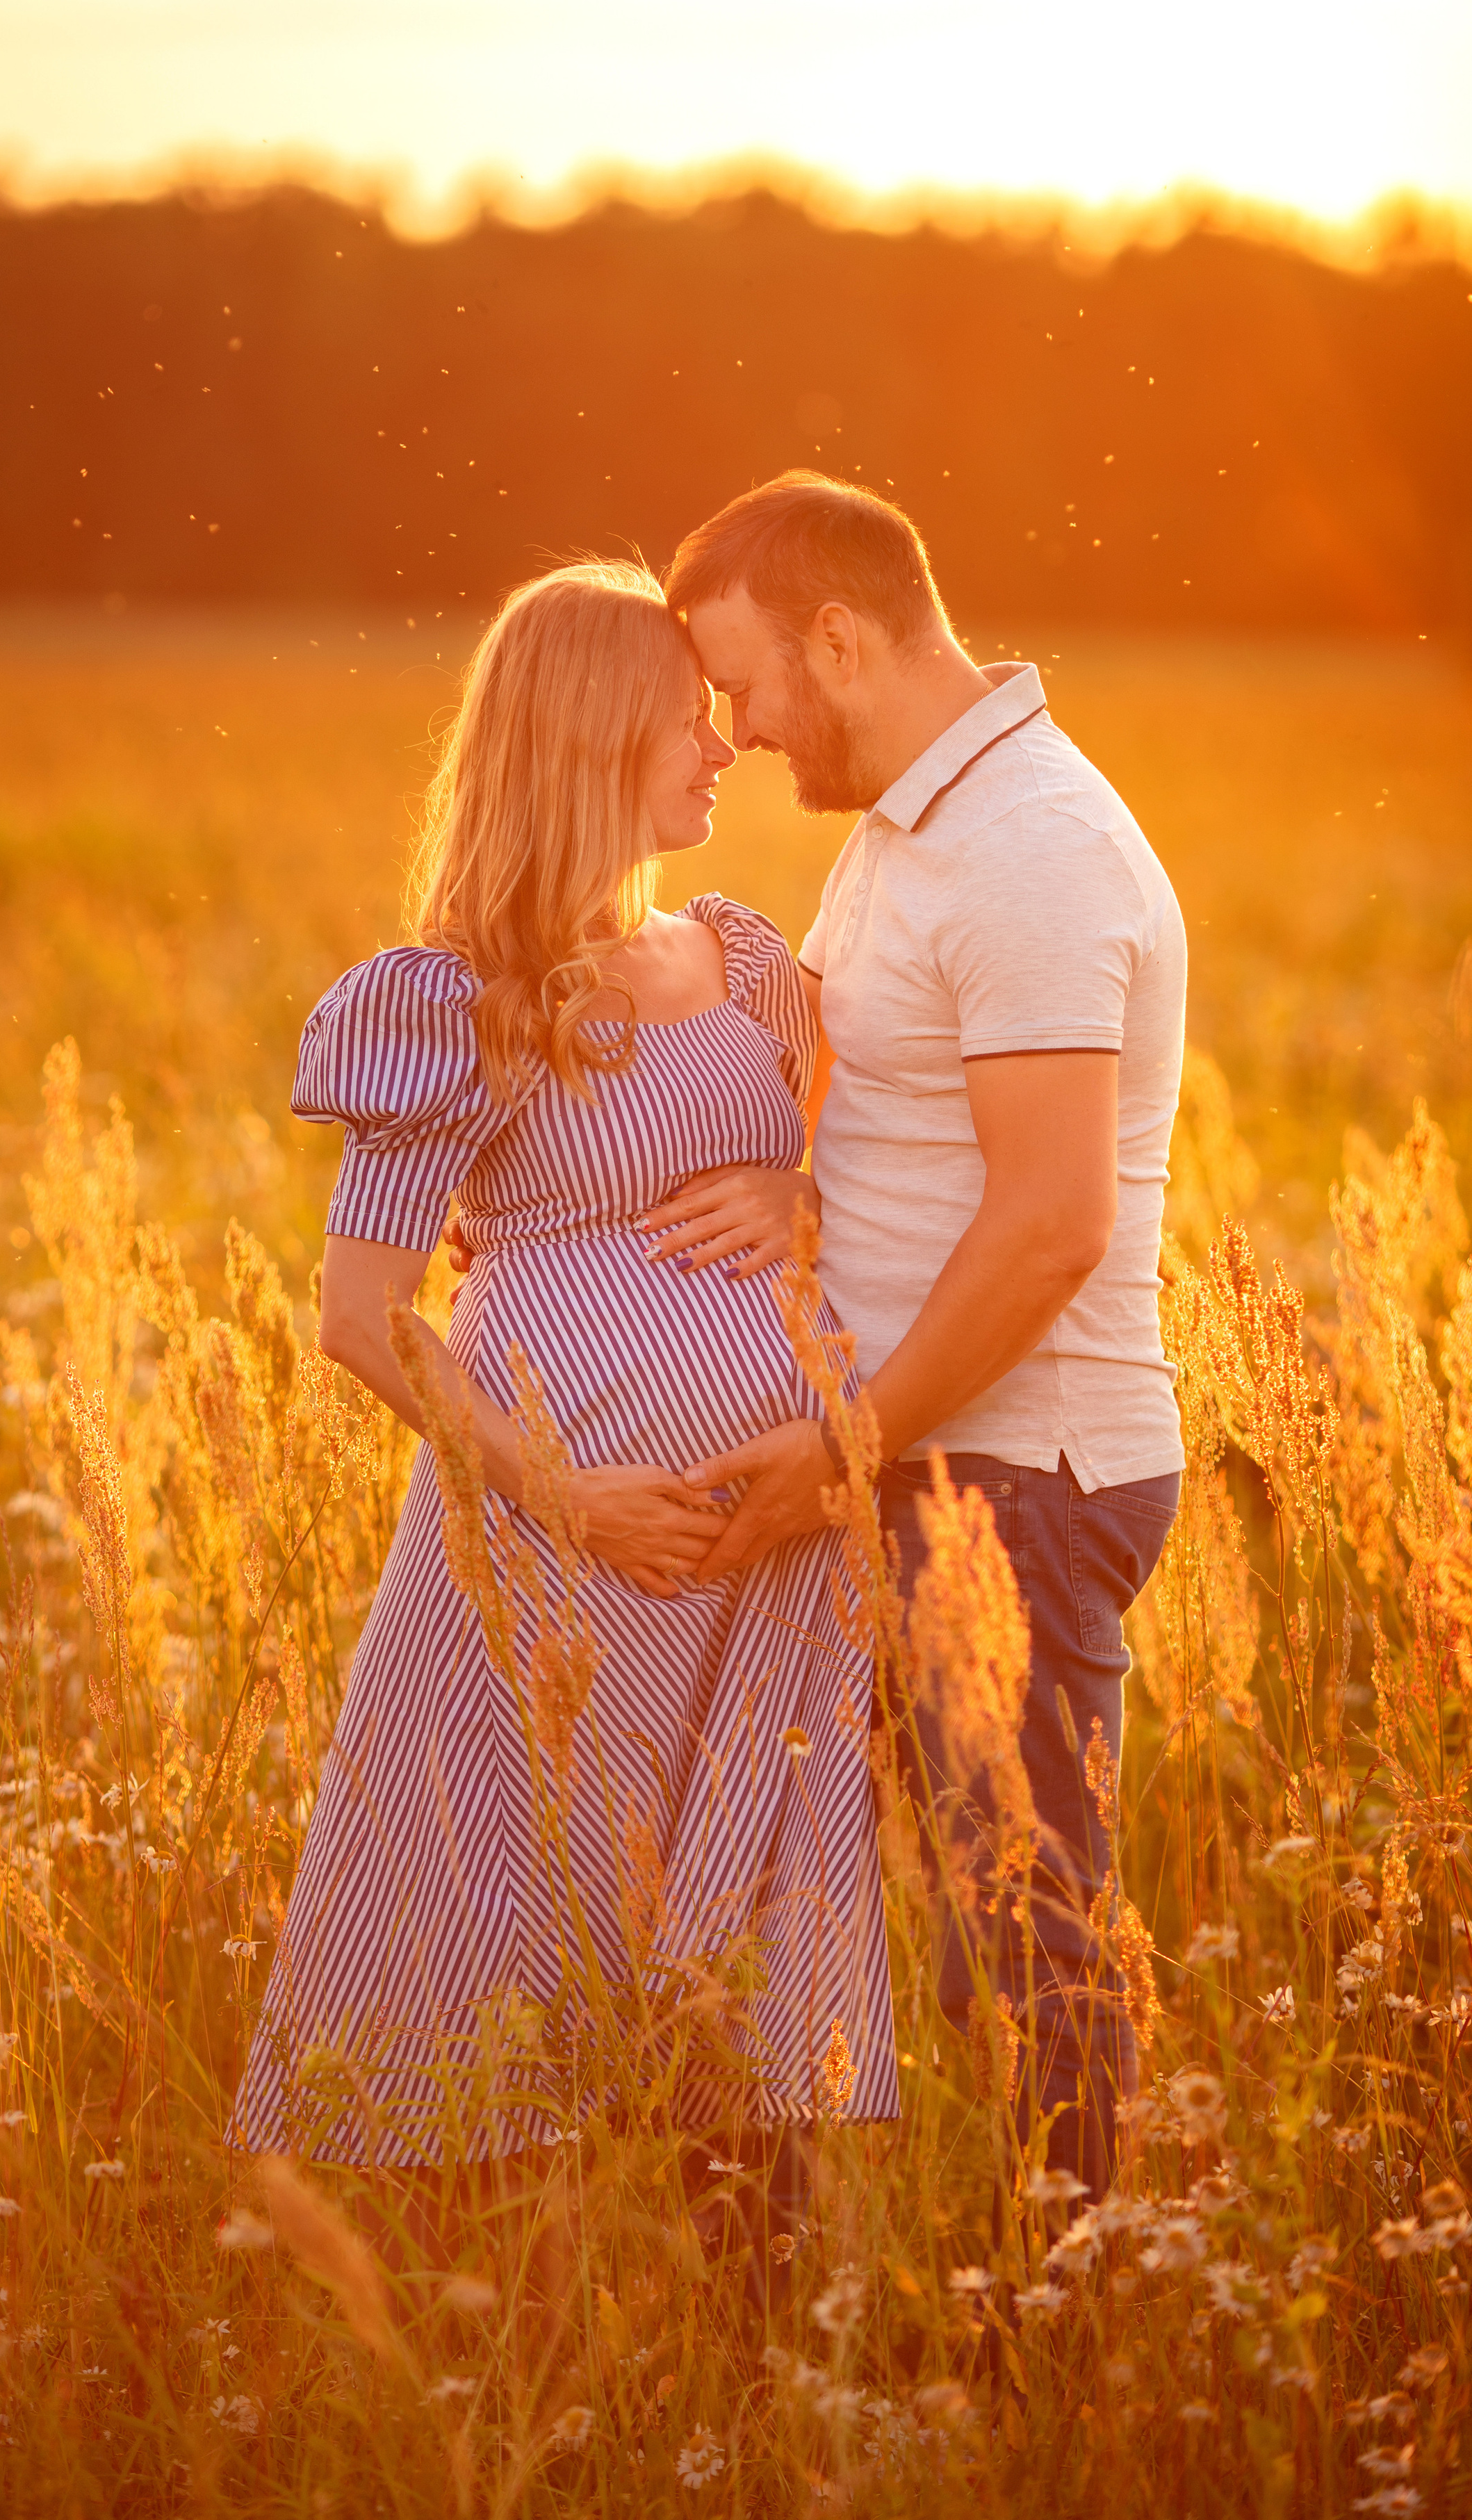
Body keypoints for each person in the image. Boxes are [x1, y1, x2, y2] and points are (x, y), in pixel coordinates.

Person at [227, 559, 899, 2185]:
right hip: (553, 1560)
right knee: (502, 1949)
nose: (721, 744)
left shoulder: (744, 965)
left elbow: (900, 1164)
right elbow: (366, 1310)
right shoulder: (458, 998)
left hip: (760, 1553)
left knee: (744, 1963)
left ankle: (753, 2385)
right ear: (593, 738)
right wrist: (568, 1494)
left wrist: (803, 1192)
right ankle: (499, 2373)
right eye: (687, 718)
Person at [648, 473, 1184, 2185]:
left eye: (742, 685)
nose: (729, 733)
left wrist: (838, 1449)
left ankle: (1072, 2352)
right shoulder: (909, 825)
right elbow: (903, 1126)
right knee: (852, 1927)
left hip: (1009, 1481)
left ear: (839, 635)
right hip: (919, 1457)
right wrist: (801, 1204)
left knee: (1025, 1959)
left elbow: (1050, 1220)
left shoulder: (1029, 844)